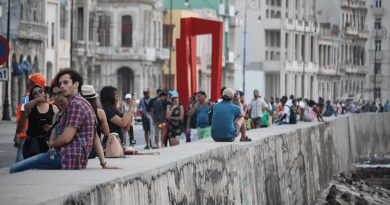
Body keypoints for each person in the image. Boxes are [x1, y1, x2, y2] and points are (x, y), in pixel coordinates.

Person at [10, 82, 121, 173]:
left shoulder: (74, 110)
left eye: (60, 94)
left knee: (16, 168)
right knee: (19, 168)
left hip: (65, 157)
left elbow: (93, 137)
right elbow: (52, 140)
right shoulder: (57, 115)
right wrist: (50, 141)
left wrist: (104, 164)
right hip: (52, 153)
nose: (57, 98)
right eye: (54, 95)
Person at [14, 73, 46, 163]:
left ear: (32, 84)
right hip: (39, 134)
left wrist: (17, 133)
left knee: (21, 156)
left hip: (26, 133)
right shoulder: (45, 99)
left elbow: (23, 116)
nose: (27, 83)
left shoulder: (26, 97)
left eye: (29, 81)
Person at [22, 84, 59, 158]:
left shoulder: (53, 107)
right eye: (35, 93)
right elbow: (25, 107)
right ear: (32, 97)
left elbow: (59, 124)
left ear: (45, 93)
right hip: (32, 143)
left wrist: (51, 127)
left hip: (47, 143)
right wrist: (37, 100)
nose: (38, 93)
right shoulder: (31, 108)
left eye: (41, 91)